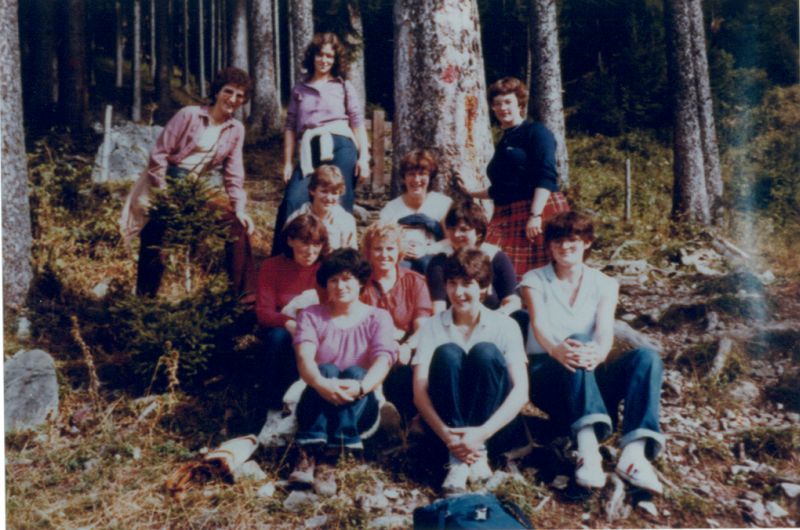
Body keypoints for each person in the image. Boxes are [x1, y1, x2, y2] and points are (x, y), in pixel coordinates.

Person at [519, 211, 665, 493]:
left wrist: (598, 354)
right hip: (548, 375)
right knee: (577, 340)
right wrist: (556, 350)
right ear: (549, 246)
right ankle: (587, 450)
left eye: (572, 240)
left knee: (647, 357)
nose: (565, 247)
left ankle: (634, 454)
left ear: (586, 243)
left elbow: (604, 332)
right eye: (558, 241)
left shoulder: (604, 284)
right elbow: (538, 325)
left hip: (589, 375)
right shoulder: (534, 280)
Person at [121, 67, 256, 298]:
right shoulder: (189, 115)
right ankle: (145, 302)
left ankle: (243, 299)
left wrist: (240, 208)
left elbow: (233, 173)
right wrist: (163, 192)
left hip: (193, 189)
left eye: (239, 95)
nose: (233, 99)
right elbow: (159, 155)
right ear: (217, 91)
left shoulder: (236, 129)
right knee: (154, 237)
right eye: (228, 91)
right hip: (164, 182)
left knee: (236, 225)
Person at [413, 248, 529, 493]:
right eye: (452, 284)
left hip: (491, 428)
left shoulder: (505, 325)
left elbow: (521, 391)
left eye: (467, 284)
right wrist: (449, 437)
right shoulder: (432, 326)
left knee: (485, 352)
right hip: (446, 430)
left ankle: (478, 453)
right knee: (447, 353)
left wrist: (480, 435)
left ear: (484, 287)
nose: (458, 292)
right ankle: (458, 460)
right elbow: (419, 391)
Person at [289, 248, 398, 486]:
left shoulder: (379, 317)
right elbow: (304, 359)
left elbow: (383, 361)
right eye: (333, 280)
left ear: (360, 282)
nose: (340, 286)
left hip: (360, 404)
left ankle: (329, 457)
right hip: (316, 398)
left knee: (356, 373)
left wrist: (361, 387)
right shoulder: (311, 315)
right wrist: (321, 384)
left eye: (347, 279)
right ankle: (309, 453)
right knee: (326, 369)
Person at [457, 77, 569, 280]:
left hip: (538, 208)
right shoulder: (505, 139)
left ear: (520, 104)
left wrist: (535, 215)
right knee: (494, 268)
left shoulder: (536, 132)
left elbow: (545, 175)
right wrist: (471, 191)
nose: (503, 108)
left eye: (508, 102)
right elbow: (503, 188)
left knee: (539, 274)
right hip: (506, 213)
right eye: (498, 103)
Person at [272, 32, 370, 254]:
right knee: (293, 200)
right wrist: (287, 163)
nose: (324, 60)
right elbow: (290, 127)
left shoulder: (343, 86)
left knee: (338, 200)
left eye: (329, 56)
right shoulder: (300, 89)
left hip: (341, 144)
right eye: (320, 55)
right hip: (310, 148)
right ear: (312, 56)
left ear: (335, 60)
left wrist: (364, 158)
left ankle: (339, 261)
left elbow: (357, 122)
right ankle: (284, 259)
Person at [255, 214, 329, 411]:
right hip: (284, 328)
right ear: (290, 240)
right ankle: (273, 405)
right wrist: (289, 323)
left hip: (320, 326)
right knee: (278, 338)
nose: (311, 251)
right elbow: (263, 312)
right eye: (304, 243)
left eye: (317, 244)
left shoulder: (327, 267)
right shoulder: (272, 266)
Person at [360, 221, 433, 420]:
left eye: (390, 248)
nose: (384, 254)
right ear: (368, 252)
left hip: (406, 346)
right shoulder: (359, 282)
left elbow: (422, 325)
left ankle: (406, 421)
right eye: (378, 249)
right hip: (370, 345)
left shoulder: (415, 281)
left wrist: (407, 345)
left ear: (399, 251)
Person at [426, 200, 521, 315]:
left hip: (494, 317)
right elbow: (438, 308)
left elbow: (512, 301)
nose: (456, 234)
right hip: (453, 321)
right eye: (452, 228)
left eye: (463, 229)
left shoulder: (496, 257)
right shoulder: (440, 261)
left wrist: (496, 319)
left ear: (479, 232)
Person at [379, 149, 452, 273]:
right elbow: (381, 242)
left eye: (422, 174)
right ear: (404, 177)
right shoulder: (390, 209)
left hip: (434, 262)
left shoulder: (443, 204)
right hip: (401, 261)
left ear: (430, 177)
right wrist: (400, 248)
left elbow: (452, 240)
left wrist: (426, 250)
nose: (417, 180)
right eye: (411, 174)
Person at [273, 165, 358, 256]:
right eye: (324, 191)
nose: (329, 198)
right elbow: (286, 251)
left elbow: (351, 255)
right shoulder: (296, 218)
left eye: (334, 193)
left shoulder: (346, 221)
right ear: (312, 190)